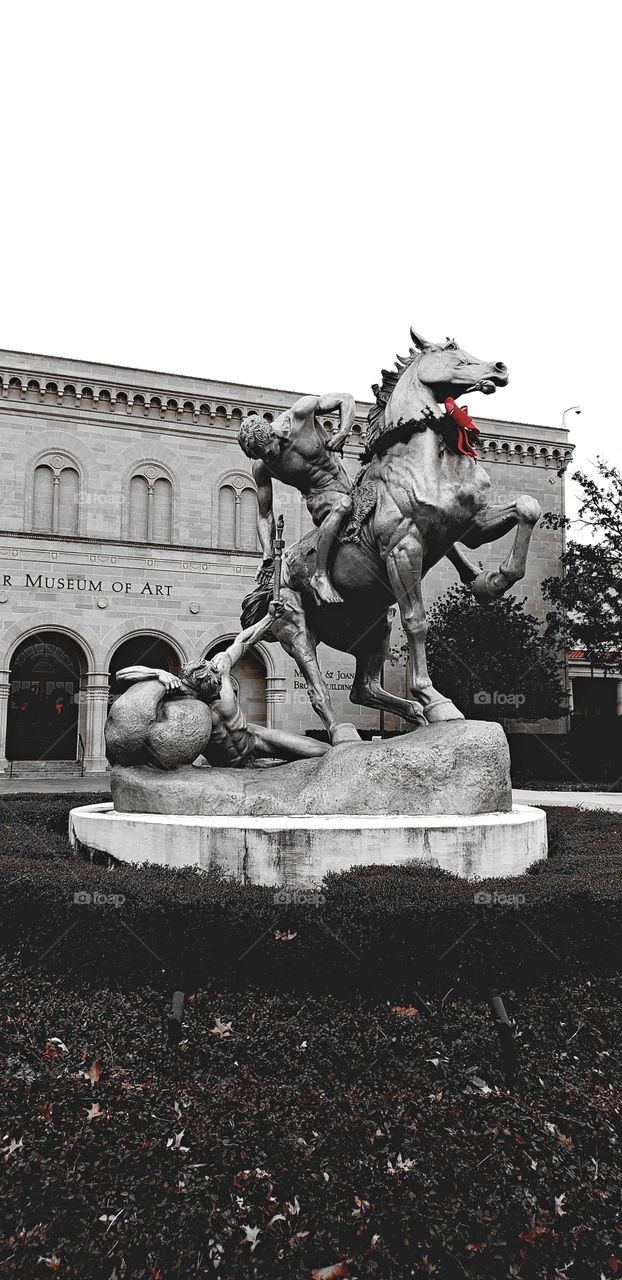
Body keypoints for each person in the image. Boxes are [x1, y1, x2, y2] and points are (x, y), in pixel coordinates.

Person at [105, 601, 330, 770]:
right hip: (228, 767)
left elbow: (243, 640)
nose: (220, 690)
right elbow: (121, 675)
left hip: (254, 739)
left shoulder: (219, 669)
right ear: (195, 690)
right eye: (213, 690)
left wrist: (269, 618)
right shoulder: (180, 695)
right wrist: (158, 673)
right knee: (284, 772)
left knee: (320, 751)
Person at [238, 393, 356, 605]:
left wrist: (343, 433)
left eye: (267, 453)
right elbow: (265, 514)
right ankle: (320, 576)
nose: (266, 459)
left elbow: (345, 399)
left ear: (272, 436)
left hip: (346, 483)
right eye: (261, 457)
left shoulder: (300, 414)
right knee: (342, 505)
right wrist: (267, 554)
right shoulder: (262, 468)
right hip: (319, 498)